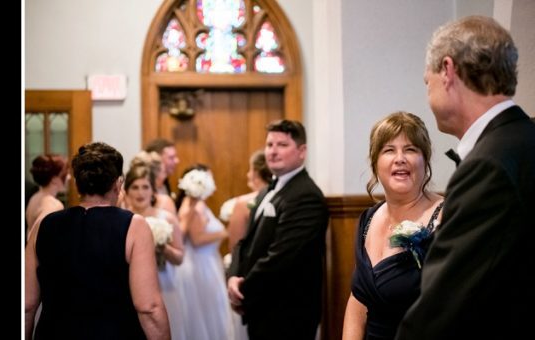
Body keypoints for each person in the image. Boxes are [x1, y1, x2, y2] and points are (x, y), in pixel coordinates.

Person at [397, 16, 535, 339]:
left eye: (426, 82)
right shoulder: (523, 140)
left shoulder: (489, 165)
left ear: (448, 70)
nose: (427, 93)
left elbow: (446, 304)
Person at [25, 142, 170, 340]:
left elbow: (26, 305)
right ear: (119, 184)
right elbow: (149, 307)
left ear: (77, 184)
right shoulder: (133, 226)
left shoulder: (42, 226)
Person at [340, 112, 443, 339]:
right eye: (389, 150)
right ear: (375, 162)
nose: (400, 158)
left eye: (410, 149)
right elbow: (358, 300)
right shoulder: (368, 219)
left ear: (425, 160)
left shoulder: (444, 217)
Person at [226, 120, 329, 339]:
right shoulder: (266, 192)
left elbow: (280, 257)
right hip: (262, 306)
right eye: (269, 145)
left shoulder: (306, 196)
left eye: (282, 145)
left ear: (302, 151)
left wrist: (243, 292)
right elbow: (245, 242)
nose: (272, 151)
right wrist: (233, 275)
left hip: (288, 312)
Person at [122, 164, 185, 340]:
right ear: (126, 191)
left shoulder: (167, 218)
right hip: (129, 287)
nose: (140, 193)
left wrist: (162, 247)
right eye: (135, 187)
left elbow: (180, 258)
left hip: (164, 284)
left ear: (153, 191)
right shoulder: (121, 219)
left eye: (145, 187)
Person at [175, 165, 233, 340]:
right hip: (199, 266)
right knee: (205, 312)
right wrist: (226, 232)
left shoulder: (197, 204)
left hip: (206, 263)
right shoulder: (193, 206)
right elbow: (198, 239)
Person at [220, 150, 270, 257]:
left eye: (250, 170)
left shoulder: (243, 204)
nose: (248, 174)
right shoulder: (281, 197)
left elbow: (234, 246)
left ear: (256, 173)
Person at [25, 154, 68, 235]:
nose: (68, 177)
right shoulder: (54, 206)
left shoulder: (35, 197)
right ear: (54, 179)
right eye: (65, 174)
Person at [144, 138, 179, 204]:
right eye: (171, 157)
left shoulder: (165, 182)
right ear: (156, 158)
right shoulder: (145, 186)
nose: (177, 161)